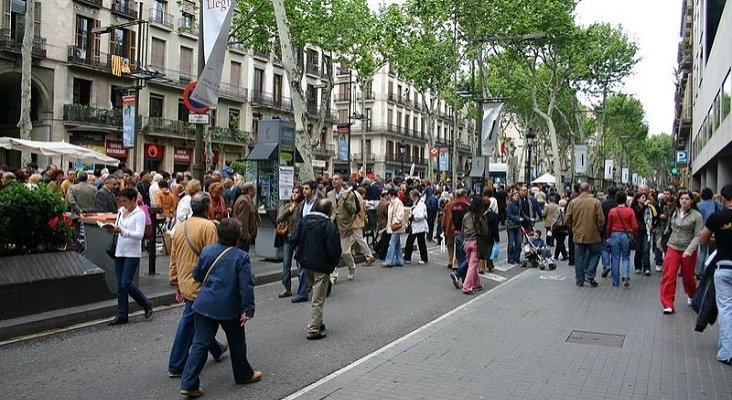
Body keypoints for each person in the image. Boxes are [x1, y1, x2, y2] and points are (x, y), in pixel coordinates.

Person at [179, 219, 261, 398]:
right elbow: (246, 286)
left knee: (200, 344)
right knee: (237, 342)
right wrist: (248, 309)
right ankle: (243, 374)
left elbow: (198, 274)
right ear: (237, 236)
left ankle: (189, 382)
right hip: (229, 307)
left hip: (204, 304)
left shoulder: (207, 251)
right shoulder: (241, 257)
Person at [168, 193, 227, 378]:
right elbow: (215, 258)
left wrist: (175, 280)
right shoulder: (209, 227)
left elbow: (173, 257)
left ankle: (216, 349)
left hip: (185, 281)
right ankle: (176, 364)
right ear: (207, 207)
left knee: (199, 319)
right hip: (200, 283)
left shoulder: (180, 226)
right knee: (190, 322)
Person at [292, 199, 342, 340]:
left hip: (306, 262)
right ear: (329, 211)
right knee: (318, 298)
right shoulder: (328, 225)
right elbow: (334, 249)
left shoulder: (304, 221)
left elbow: (294, 238)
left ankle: (318, 322)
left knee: (315, 292)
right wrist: (332, 266)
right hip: (321, 265)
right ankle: (313, 328)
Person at [108, 188, 153, 325]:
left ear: (134, 200)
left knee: (126, 282)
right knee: (120, 285)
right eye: (121, 201)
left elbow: (139, 235)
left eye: (126, 201)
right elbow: (117, 226)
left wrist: (123, 231)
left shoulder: (140, 214)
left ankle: (146, 303)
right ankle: (122, 315)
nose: (123, 204)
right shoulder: (121, 212)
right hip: (120, 250)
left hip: (132, 252)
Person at [699, 183, 732, 365]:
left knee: (726, 309)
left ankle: (726, 351)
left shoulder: (717, 217)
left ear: (723, 199)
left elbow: (703, 239)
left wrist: (717, 237)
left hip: (724, 268)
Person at [660, 190, 703, 314]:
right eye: (682, 198)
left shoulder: (696, 216)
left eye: (687, 199)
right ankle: (667, 303)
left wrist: (689, 250)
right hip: (673, 246)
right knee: (669, 275)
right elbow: (669, 229)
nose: (684, 201)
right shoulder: (674, 212)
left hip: (688, 248)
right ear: (678, 200)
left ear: (691, 201)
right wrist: (663, 245)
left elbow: (698, 235)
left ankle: (692, 294)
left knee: (688, 277)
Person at [566, 183, 605, 287]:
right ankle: (590, 274)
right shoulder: (596, 202)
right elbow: (601, 219)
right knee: (595, 254)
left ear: (579, 189)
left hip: (578, 235)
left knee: (579, 258)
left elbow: (568, 219)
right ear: (590, 189)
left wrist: (573, 229)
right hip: (593, 234)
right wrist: (599, 229)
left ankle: (579, 280)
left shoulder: (573, 202)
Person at [326, 174, 357, 284]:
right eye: (332, 179)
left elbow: (353, 210)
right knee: (333, 252)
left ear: (341, 181)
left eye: (336, 179)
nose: (334, 181)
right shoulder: (329, 194)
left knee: (345, 252)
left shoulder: (350, 194)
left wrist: (345, 199)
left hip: (344, 226)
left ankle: (351, 266)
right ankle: (333, 275)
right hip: (332, 226)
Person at [605, 191, 638, 288]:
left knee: (615, 258)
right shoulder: (630, 211)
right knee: (626, 257)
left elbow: (609, 226)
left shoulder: (612, 211)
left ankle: (615, 282)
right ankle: (626, 275)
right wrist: (634, 236)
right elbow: (635, 226)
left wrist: (608, 237)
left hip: (614, 234)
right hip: (626, 235)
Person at [276, 185, 304, 299]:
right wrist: (289, 210)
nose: (294, 194)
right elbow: (279, 218)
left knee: (300, 265)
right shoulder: (287, 205)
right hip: (288, 237)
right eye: (293, 192)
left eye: (297, 192)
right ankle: (287, 287)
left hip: (299, 238)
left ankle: (303, 287)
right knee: (286, 263)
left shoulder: (302, 206)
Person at [460, 195, 486, 294]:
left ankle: (476, 283)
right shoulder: (480, 216)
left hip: (466, 241)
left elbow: (462, 230)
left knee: (471, 263)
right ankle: (467, 286)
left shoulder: (466, 215)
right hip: (476, 241)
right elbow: (485, 230)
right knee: (473, 264)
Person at [696, 187, 723, 277]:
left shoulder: (698, 205)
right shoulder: (716, 205)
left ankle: (699, 271)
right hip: (714, 232)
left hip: (702, 230)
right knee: (712, 252)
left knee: (702, 251)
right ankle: (710, 271)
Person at [351, 186, 375, 266]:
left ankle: (369, 255)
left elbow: (354, 209)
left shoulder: (355, 196)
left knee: (359, 238)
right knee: (353, 238)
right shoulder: (359, 197)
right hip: (359, 221)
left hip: (356, 221)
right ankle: (346, 253)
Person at [232, 182, 260, 252]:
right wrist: (245, 235)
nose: (255, 192)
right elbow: (243, 220)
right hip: (243, 237)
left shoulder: (247, 200)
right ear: (249, 190)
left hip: (245, 236)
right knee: (242, 254)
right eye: (254, 190)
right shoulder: (244, 201)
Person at [630, 192, 654, 276]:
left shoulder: (649, 207)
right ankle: (638, 266)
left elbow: (653, 216)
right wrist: (644, 206)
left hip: (646, 230)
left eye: (645, 197)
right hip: (638, 230)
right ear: (637, 199)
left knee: (646, 248)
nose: (644, 199)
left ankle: (647, 268)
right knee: (638, 248)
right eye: (642, 197)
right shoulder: (634, 208)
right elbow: (638, 213)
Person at [404, 190, 429, 265]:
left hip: (419, 226)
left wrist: (413, 217)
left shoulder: (420, 204)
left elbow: (421, 215)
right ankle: (409, 257)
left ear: (416, 196)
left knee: (414, 241)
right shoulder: (416, 204)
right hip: (417, 226)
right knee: (417, 242)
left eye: (412, 196)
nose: (411, 198)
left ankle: (408, 257)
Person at [383, 188, 406, 268]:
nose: (388, 197)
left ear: (392, 195)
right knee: (397, 245)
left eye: (389, 196)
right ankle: (400, 260)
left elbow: (400, 215)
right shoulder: (393, 203)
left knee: (392, 243)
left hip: (395, 226)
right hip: (395, 226)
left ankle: (388, 261)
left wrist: (393, 223)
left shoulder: (398, 203)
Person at [599, 187, 619, 278]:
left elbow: (600, 217)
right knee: (615, 251)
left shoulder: (604, 204)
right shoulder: (619, 204)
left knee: (604, 249)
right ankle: (614, 269)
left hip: (605, 229)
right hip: (617, 230)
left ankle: (606, 265)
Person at [506, 191, 523, 265]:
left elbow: (522, 214)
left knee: (519, 242)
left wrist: (529, 219)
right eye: (515, 196)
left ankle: (517, 258)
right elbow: (509, 215)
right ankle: (510, 258)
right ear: (512, 196)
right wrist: (517, 218)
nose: (517, 197)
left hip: (518, 226)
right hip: (511, 226)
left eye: (518, 196)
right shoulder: (510, 205)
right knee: (511, 243)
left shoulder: (519, 205)